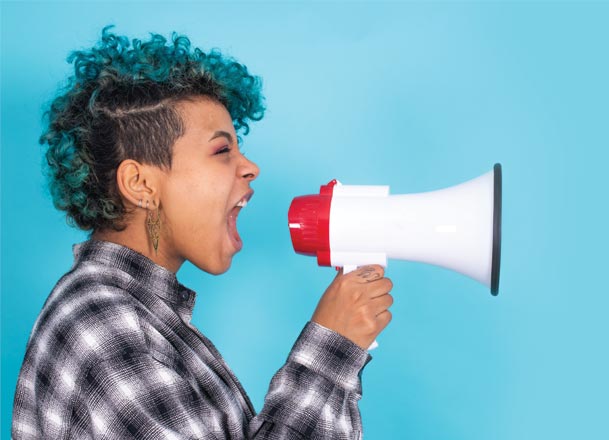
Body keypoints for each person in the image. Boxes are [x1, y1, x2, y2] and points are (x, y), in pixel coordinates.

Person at [11, 26, 394, 439]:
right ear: (141, 184)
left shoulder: (140, 316)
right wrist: (330, 353)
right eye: (222, 150)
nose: (250, 167)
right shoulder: (103, 325)